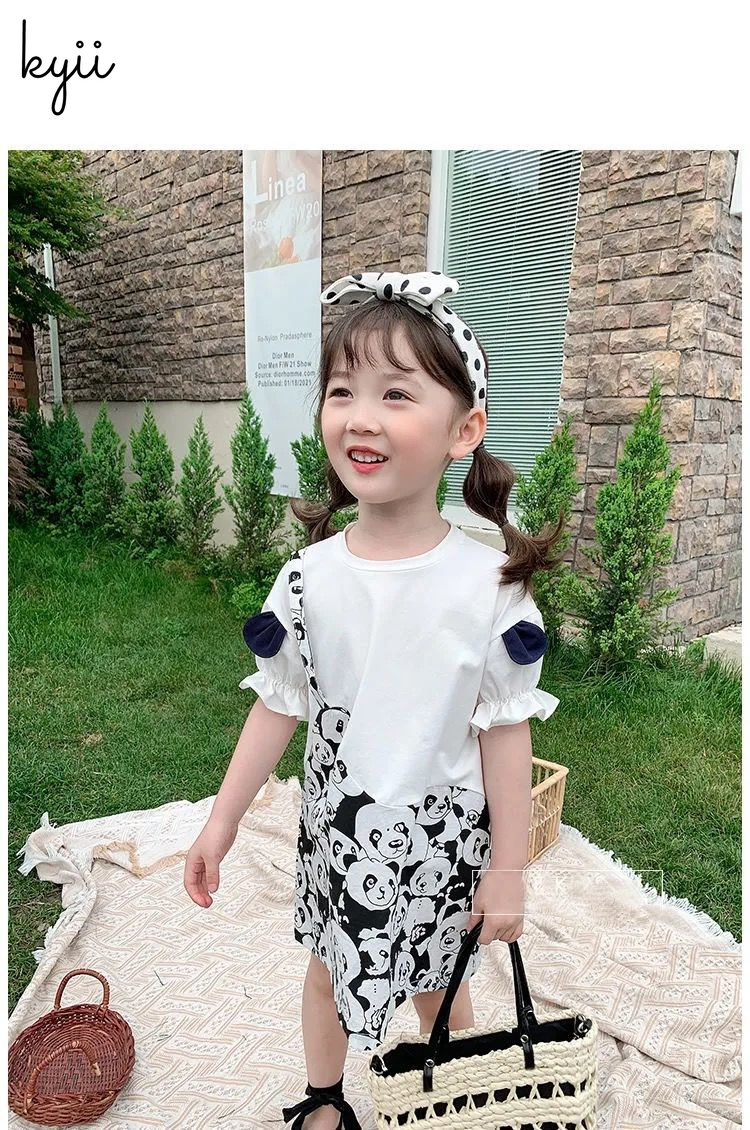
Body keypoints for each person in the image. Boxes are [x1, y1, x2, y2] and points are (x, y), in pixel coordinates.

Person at [184, 269, 567, 1130]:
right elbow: (277, 704)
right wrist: (221, 821)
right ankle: (324, 1097)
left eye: (396, 394)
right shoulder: (307, 580)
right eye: (342, 391)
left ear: (463, 429)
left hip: (444, 845)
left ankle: (449, 1100)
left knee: (442, 991)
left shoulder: (491, 587)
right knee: (326, 971)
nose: (361, 417)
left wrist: (508, 868)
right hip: (340, 833)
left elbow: (505, 732)